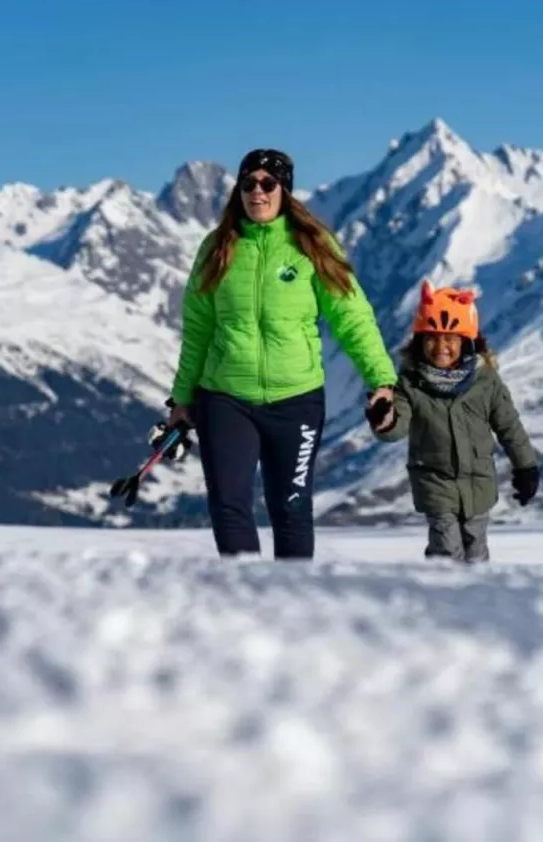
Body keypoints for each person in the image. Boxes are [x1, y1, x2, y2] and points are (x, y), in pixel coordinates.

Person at [167, 148, 397, 559]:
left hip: (297, 400)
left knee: (291, 509)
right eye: (248, 183)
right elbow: (198, 331)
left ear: (284, 190)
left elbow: (352, 318)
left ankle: (293, 609)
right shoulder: (217, 247)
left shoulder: (312, 245)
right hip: (226, 397)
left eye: (267, 183)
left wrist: (381, 380)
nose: (257, 191)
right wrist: (182, 398)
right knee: (228, 505)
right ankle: (246, 601)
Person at [370, 283, 540, 562]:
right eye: (432, 338)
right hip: (435, 481)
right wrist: (384, 419)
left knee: (475, 553)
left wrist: (526, 467)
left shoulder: (486, 381)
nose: (441, 347)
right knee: (447, 548)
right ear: (419, 340)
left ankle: (475, 602)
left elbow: (509, 426)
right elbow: (396, 429)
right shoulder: (410, 383)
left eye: (450, 338)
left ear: (466, 341)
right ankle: (441, 599)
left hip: (479, 482)